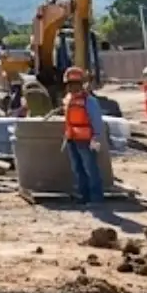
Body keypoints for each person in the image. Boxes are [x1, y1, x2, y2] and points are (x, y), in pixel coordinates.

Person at [60, 66, 106, 206]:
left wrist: (96, 138)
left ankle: (96, 198)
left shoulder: (89, 101)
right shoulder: (68, 100)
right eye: (70, 84)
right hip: (72, 139)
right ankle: (83, 196)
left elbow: (96, 121)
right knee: (78, 169)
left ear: (81, 84)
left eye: (75, 84)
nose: (72, 87)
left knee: (90, 169)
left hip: (86, 140)